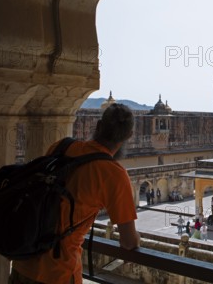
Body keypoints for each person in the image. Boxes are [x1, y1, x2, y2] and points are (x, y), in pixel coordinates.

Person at [10, 103, 140, 284]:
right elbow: (128, 241)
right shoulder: (113, 174)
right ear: (129, 136)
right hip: (58, 272)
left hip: (22, 260)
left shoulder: (61, 147)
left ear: (99, 126)